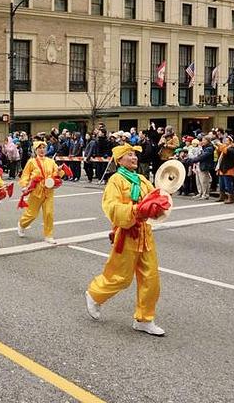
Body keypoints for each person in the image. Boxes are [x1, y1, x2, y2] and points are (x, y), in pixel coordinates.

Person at [84, 143, 169, 337]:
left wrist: (161, 202)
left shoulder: (141, 179)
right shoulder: (116, 180)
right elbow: (111, 207)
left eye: (134, 155)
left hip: (145, 233)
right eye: (129, 155)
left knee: (151, 278)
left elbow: (154, 198)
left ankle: (144, 319)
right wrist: (135, 210)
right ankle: (94, 294)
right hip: (127, 233)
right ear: (119, 160)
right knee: (121, 277)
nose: (134, 158)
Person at [16, 140, 64, 243]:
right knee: (31, 214)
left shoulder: (51, 161)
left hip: (48, 190)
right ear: (35, 150)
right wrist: (24, 185)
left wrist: (59, 171)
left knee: (49, 213)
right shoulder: (31, 162)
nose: (42, 150)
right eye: (39, 148)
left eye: (43, 148)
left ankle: (48, 235)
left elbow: (57, 174)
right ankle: (22, 224)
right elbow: (25, 175)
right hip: (35, 191)